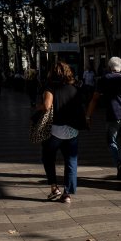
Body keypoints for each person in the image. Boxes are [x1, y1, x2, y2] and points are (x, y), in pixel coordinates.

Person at [38, 61, 86, 204]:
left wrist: (37, 107)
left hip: (55, 130)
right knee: (71, 161)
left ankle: (54, 187)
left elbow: (47, 106)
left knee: (48, 157)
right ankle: (67, 194)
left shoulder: (50, 87)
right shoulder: (74, 88)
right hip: (72, 131)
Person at [85, 56, 121, 181]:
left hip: (112, 116)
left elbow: (95, 99)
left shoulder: (103, 80)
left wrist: (88, 116)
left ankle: (119, 164)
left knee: (111, 142)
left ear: (109, 67)